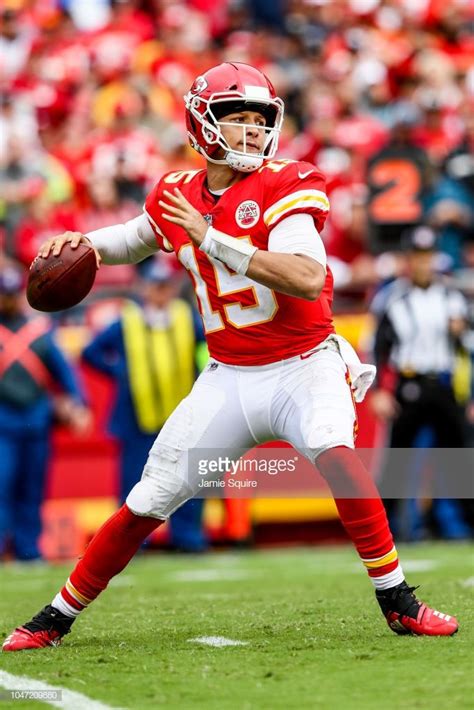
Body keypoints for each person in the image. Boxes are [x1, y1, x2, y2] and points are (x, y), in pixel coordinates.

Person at [3, 62, 458, 651]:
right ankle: (55, 618)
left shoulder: (288, 182)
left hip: (304, 362)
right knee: (150, 497)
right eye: (235, 118)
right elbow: (138, 237)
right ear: (202, 123)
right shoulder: (177, 193)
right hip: (229, 377)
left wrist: (213, 236)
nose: (249, 131)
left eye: (258, 119)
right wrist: (86, 243)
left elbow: (305, 274)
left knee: (335, 449)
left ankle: (399, 601)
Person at [82, 258, 207, 552]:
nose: (160, 293)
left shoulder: (185, 317)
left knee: (189, 479)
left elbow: (208, 348)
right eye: (155, 286)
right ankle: (131, 543)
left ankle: (188, 538)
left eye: (165, 286)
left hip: (181, 414)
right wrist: (119, 373)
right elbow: (91, 352)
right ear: (144, 288)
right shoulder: (128, 320)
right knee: (134, 480)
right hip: (136, 415)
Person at [370, 225, 471, 540]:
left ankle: (465, 527)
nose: (422, 263)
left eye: (427, 256)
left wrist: (461, 332)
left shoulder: (454, 296)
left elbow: (469, 345)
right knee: (397, 463)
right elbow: (376, 347)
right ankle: (384, 533)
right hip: (408, 385)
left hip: (444, 383)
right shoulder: (391, 298)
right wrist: (377, 391)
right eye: (417, 256)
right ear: (407, 259)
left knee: (460, 460)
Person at [0, 263, 90, 562]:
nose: (9, 299)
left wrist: (78, 403)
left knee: (33, 488)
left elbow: (66, 373)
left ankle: (28, 549)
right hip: (3, 423)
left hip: (36, 421)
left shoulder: (39, 332)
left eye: (13, 293)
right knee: (3, 485)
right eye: (4, 294)